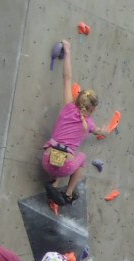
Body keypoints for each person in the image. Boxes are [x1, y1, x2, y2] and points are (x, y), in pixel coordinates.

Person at [42, 39, 99, 206]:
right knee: (81, 158)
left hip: (46, 159)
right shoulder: (89, 125)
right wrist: (105, 131)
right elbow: (99, 131)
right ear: (93, 110)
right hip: (64, 166)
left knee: (62, 153)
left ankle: (54, 183)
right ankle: (67, 194)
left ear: (77, 99)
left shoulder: (68, 106)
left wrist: (67, 51)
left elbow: (67, 78)